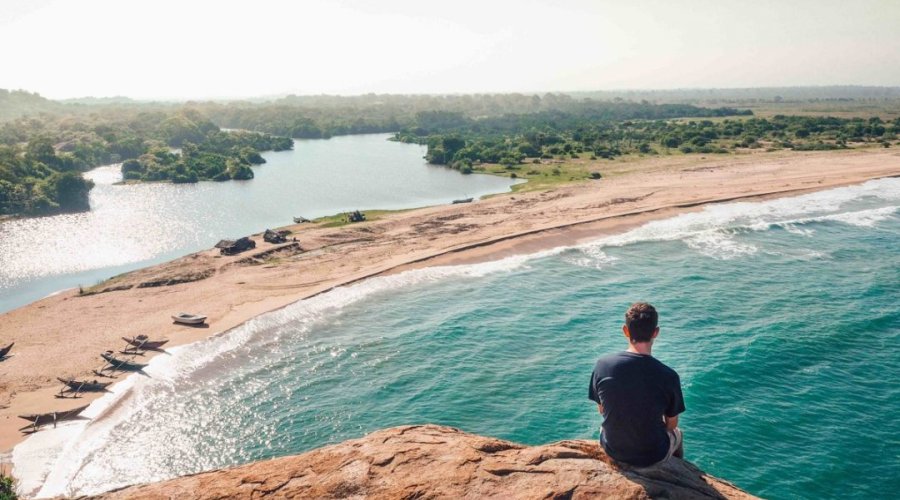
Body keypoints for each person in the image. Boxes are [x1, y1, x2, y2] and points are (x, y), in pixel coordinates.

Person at [588, 302, 685, 467]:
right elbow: (671, 424)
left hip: (613, 448)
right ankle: (678, 471)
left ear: (625, 331)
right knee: (678, 434)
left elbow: (602, 410)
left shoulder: (602, 365)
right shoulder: (668, 376)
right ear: (656, 332)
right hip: (653, 455)